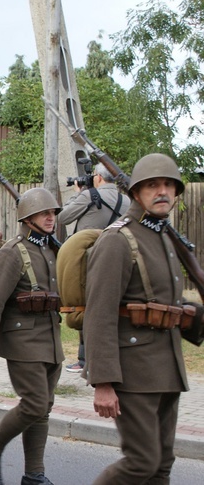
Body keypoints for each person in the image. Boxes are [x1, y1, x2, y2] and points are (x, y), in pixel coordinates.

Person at [83, 153, 204, 484]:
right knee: (141, 462)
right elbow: (99, 314)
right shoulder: (118, 240)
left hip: (167, 368)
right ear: (136, 193)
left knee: (162, 464)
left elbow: (169, 302)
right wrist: (103, 382)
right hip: (133, 373)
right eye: (152, 185)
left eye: (168, 185)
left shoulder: (165, 237)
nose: (162, 191)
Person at [0, 187, 64, 485]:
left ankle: (34, 474)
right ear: (28, 218)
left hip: (51, 341)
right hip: (23, 342)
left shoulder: (51, 250)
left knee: (44, 408)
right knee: (35, 404)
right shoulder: (12, 253)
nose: (51, 218)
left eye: (53, 213)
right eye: (44, 213)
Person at [57, 163, 130, 373]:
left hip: (89, 259)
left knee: (85, 308)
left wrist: (78, 193)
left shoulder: (90, 195)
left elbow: (63, 217)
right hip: (118, 259)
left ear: (98, 177)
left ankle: (85, 359)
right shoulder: (127, 200)